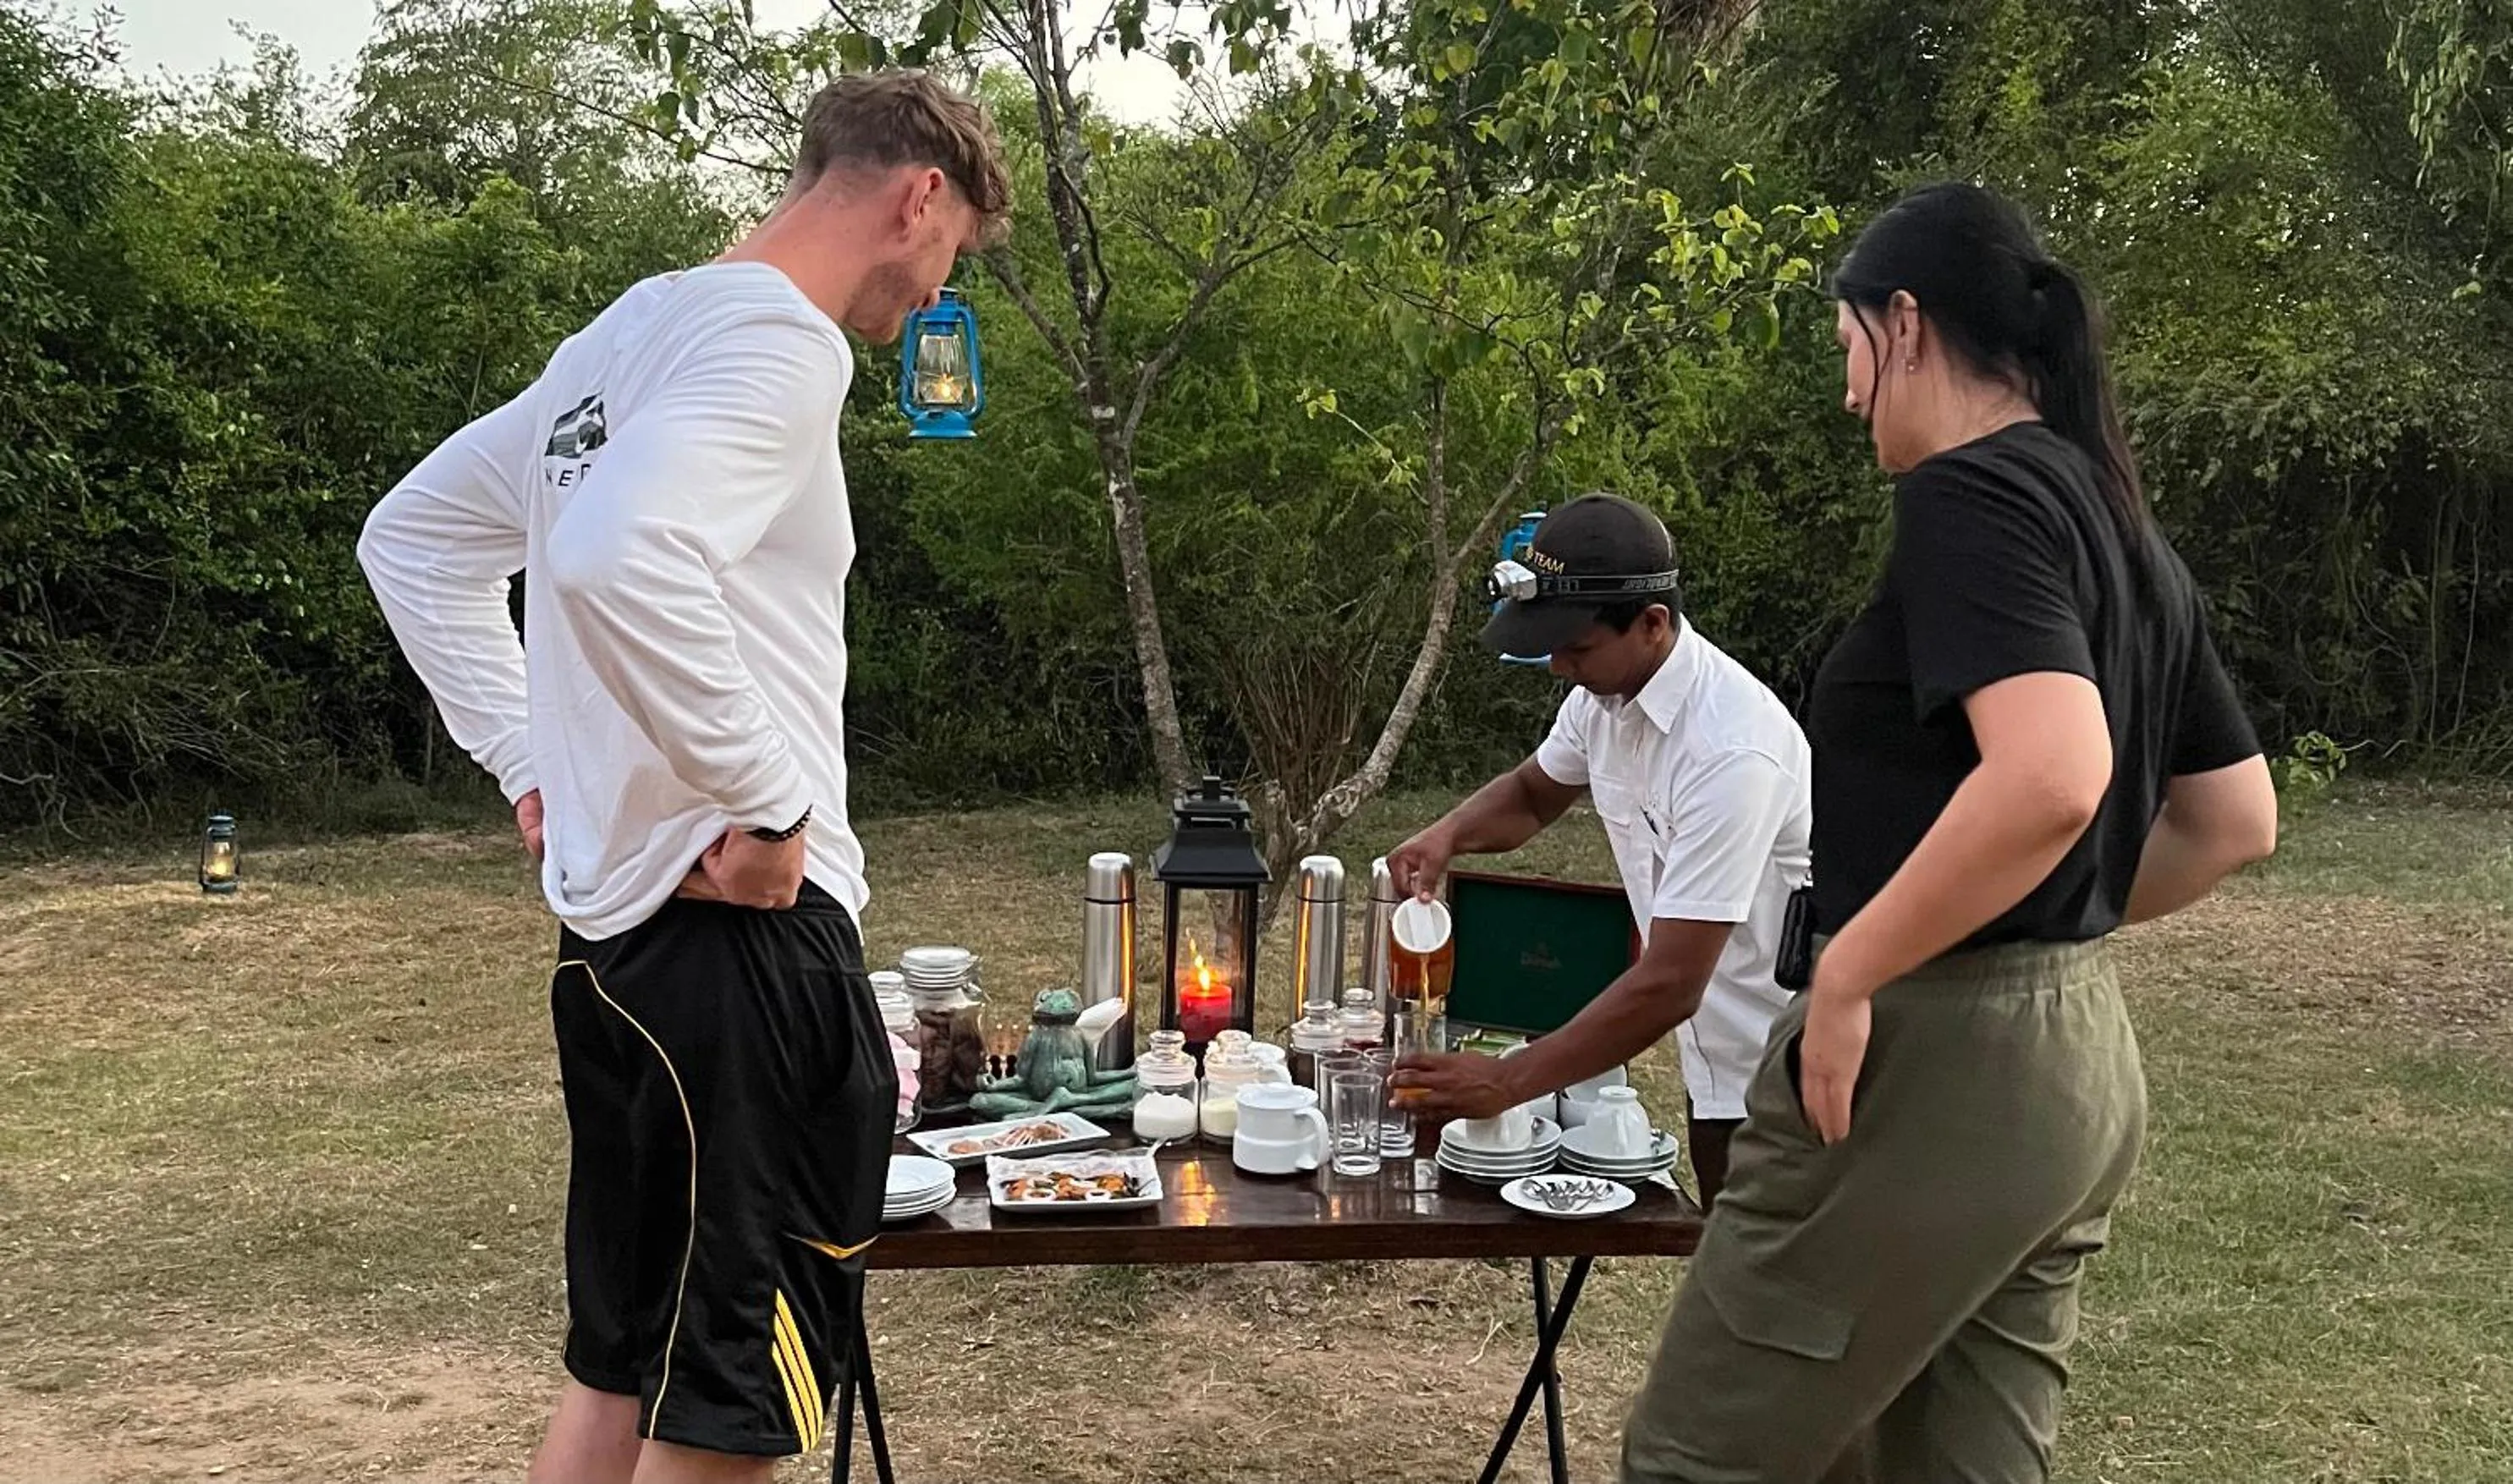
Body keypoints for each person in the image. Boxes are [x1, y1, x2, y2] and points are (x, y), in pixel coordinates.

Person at [355, 72, 1009, 1484]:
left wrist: (533, 768)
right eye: (951, 259)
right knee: (726, 1410)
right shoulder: (781, 338)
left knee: (620, 1380)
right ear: (920, 197)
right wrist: (767, 800)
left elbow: (410, 540)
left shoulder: (626, 336)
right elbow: (615, 555)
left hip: (620, 955)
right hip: (744, 965)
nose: (931, 294)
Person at [1614, 182, 2279, 1484]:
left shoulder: (1971, 497)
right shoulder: (2120, 524)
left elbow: (2051, 776)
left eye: (1847, 351)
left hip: (1930, 1064)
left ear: (1903, 323)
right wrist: (2035, 923)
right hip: (2074, 1070)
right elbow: (2229, 818)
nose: (1849, 394)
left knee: (1697, 1459)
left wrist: (1861, 962)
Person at [1386, 492, 1811, 1206]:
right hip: (1719, 1078)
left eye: (1576, 648)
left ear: (1652, 624)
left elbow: (1672, 982)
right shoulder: (1603, 699)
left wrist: (1507, 1080)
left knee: (1786, 1305)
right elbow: (1533, 795)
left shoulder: (1732, 751)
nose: (1559, 667)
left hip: (1796, 1080)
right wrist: (1450, 834)